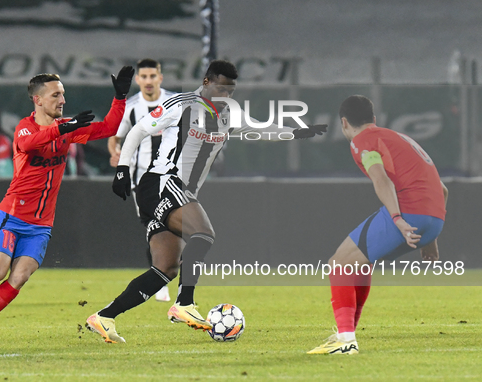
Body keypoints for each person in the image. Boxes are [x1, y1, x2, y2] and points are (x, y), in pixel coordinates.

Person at [86, 59, 327, 343]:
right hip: (163, 183)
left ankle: (104, 316)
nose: (226, 95)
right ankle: (184, 304)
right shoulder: (181, 103)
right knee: (204, 233)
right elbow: (139, 130)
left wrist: (297, 132)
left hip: (181, 192)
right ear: (206, 82)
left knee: (165, 268)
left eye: (231, 90)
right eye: (221, 88)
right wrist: (123, 170)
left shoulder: (230, 113)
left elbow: (262, 130)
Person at [0, 67, 134, 344]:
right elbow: (28, 144)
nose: (62, 100)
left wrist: (120, 97)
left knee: (20, 276)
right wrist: (64, 128)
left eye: (63, 94)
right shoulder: (26, 127)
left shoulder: (68, 129)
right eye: (55, 95)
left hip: (41, 224)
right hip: (13, 215)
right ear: (38, 100)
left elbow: (109, 127)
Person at [307, 95, 448, 355]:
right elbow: (442, 189)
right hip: (434, 219)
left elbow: (381, 179)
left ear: (344, 123)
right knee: (358, 263)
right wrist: (430, 240)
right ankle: (344, 335)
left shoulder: (362, 142)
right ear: (374, 119)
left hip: (409, 214)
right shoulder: (400, 138)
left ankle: (345, 340)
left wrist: (397, 219)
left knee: (338, 263)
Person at [107, 58, 176, 302]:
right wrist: (115, 152)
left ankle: (172, 278)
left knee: (178, 227)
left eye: (152, 76)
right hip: (143, 180)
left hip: (173, 177)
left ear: (160, 78)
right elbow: (115, 137)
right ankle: (162, 281)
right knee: (155, 228)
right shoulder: (131, 107)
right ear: (137, 80)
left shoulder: (173, 102)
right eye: (143, 77)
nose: (148, 81)